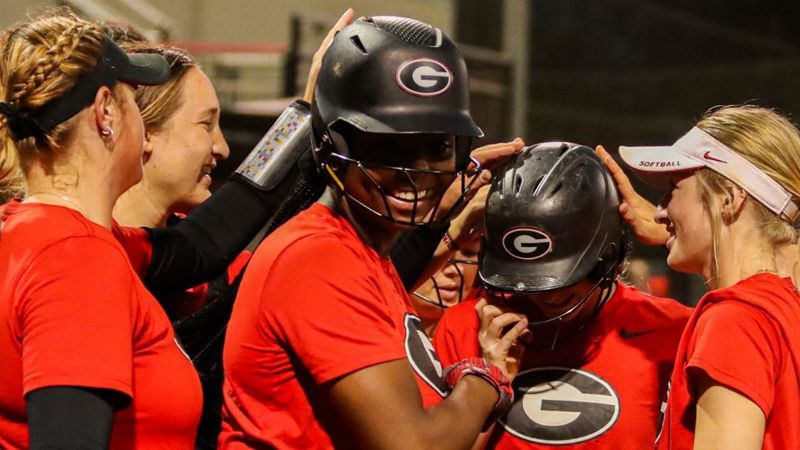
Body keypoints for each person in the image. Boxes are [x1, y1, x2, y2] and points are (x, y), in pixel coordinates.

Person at [220, 16, 528, 449]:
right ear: (335, 143)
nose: (418, 170)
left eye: (438, 146)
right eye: (390, 144)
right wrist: (485, 379)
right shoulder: (318, 258)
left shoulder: (366, 258)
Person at [433, 142, 691, 449]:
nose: (544, 298)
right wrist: (489, 377)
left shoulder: (675, 331)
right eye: (523, 281)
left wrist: (676, 233)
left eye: (559, 284)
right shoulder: (466, 326)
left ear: (608, 257)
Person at [607, 104, 800, 449]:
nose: (660, 210)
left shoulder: (735, 318)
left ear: (729, 198)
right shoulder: (784, 305)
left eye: (672, 189)